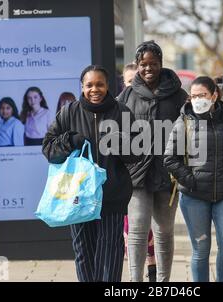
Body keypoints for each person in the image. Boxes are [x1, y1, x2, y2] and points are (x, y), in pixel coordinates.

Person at [42, 65, 140, 282]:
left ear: (107, 86)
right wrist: (68, 140)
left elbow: (137, 153)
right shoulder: (68, 113)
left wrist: (120, 144)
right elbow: (48, 150)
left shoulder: (122, 112)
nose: (95, 89)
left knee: (111, 252)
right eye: (89, 85)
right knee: (83, 252)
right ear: (82, 87)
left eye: (100, 84)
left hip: (112, 196)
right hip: (78, 198)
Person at [164, 76, 223, 282]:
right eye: (193, 96)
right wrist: (190, 180)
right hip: (194, 196)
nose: (198, 99)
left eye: (202, 95)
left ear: (214, 95)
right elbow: (169, 157)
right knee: (201, 249)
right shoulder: (184, 122)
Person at [118, 40, 188, 282]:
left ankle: (163, 282)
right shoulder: (126, 95)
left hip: (168, 174)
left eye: (153, 64)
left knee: (164, 232)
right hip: (136, 175)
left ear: (161, 64)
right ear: (137, 66)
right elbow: (116, 131)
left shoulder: (179, 95)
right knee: (137, 230)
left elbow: (191, 132)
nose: (148, 68)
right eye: (143, 64)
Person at [120, 61, 157, 282]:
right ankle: (140, 269)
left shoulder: (151, 105)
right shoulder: (118, 104)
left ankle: (151, 264)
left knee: (145, 226)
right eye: (128, 81)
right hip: (125, 176)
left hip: (148, 175)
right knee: (130, 226)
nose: (133, 84)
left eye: (137, 80)